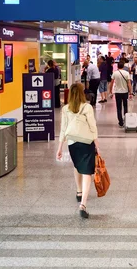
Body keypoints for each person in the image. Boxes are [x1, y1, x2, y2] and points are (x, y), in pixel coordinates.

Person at [56, 83, 99, 219]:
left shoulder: (66, 109)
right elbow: (93, 127)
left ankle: (79, 191)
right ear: (82, 93)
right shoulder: (87, 107)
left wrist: (59, 148)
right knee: (87, 172)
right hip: (86, 142)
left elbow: (63, 129)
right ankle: (83, 205)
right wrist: (97, 144)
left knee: (77, 166)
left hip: (72, 143)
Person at [109, 61, 133, 128]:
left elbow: (111, 83)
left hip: (117, 92)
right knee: (125, 106)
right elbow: (129, 83)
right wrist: (130, 92)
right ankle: (126, 120)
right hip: (125, 92)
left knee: (119, 107)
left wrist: (110, 91)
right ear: (123, 66)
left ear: (117, 66)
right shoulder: (126, 73)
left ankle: (120, 122)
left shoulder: (115, 73)